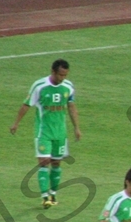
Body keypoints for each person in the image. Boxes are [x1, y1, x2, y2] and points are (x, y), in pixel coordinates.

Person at [12, 58, 81, 208]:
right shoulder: (39, 86)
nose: (63, 78)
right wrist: (16, 123)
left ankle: (53, 194)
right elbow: (26, 105)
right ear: (53, 72)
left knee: (56, 163)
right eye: (60, 75)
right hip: (43, 132)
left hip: (60, 133)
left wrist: (76, 127)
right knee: (44, 162)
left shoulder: (68, 87)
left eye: (65, 75)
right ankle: (44, 197)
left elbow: (71, 107)